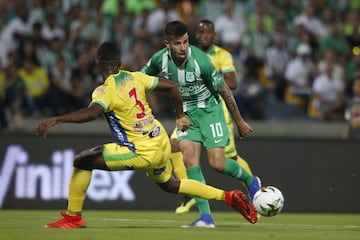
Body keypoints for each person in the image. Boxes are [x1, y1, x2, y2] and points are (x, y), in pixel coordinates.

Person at [34, 41, 258, 228]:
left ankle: (73, 217)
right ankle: (227, 197)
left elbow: (92, 113)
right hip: (161, 141)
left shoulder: (106, 89)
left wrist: (56, 119)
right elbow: (171, 86)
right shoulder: (136, 77)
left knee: (82, 160)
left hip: (141, 149)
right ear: (119, 63)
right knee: (170, 184)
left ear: (97, 62)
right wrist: (180, 114)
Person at [141, 21, 261, 228]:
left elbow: (225, 90)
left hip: (210, 112)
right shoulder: (158, 60)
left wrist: (239, 121)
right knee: (190, 162)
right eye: (177, 43)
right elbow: (140, 80)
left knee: (217, 163)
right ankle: (206, 218)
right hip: (186, 115)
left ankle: (251, 181)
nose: (183, 48)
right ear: (167, 44)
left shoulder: (201, 61)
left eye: (186, 42)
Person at [172, 19, 258, 215]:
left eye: (207, 32)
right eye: (200, 32)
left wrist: (209, 75)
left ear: (213, 35)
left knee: (226, 159)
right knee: (175, 145)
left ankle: (252, 184)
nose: (204, 36)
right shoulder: (186, 53)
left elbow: (233, 83)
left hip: (216, 111)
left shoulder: (222, 55)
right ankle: (191, 194)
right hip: (191, 110)